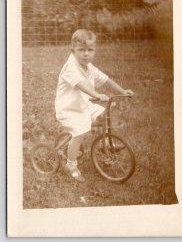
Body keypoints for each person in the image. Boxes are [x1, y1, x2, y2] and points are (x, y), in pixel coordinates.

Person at [55, 29, 134, 182]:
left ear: (94, 50)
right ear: (73, 50)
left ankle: (104, 144)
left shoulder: (88, 66)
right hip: (69, 110)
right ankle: (71, 165)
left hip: (84, 105)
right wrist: (96, 94)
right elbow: (81, 84)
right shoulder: (70, 67)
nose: (86, 54)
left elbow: (105, 80)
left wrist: (122, 91)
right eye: (81, 50)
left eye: (90, 50)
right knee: (79, 133)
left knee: (104, 114)